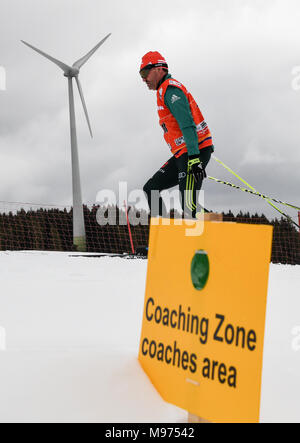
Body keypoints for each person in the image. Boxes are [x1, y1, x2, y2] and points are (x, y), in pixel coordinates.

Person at [140, 51, 214, 219]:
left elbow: (187, 124)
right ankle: (165, 235)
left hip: (193, 152)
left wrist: (195, 158)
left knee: (189, 206)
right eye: (141, 75)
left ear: (159, 69)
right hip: (183, 153)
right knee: (151, 188)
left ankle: (221, 233)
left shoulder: (171, 90)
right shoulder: (162, 92)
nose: (144, 79)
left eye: (145, 73)